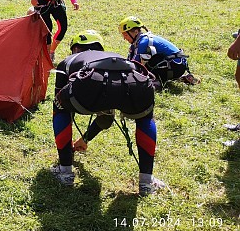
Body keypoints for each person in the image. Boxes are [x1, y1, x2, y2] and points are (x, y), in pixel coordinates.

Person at [50, 30, 165, 196]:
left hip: (88, 86)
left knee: (60, 108)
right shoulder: (115, 57)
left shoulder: (68, 61)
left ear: (75, 48)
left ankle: (65, 172)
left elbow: (64, 106)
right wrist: (86, 138)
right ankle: (147, 182)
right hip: (132, 81)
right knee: (145, 118)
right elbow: (106, 118)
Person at [119, 16, 199, 88]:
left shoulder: (144, 42)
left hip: (176, 66)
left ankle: (156, 83)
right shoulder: (139, 41)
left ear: (136, 32)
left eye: (125, 35)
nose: (124, 38)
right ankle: (178, 78)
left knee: (145, 62)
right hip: (178, 65)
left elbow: (134, 65)